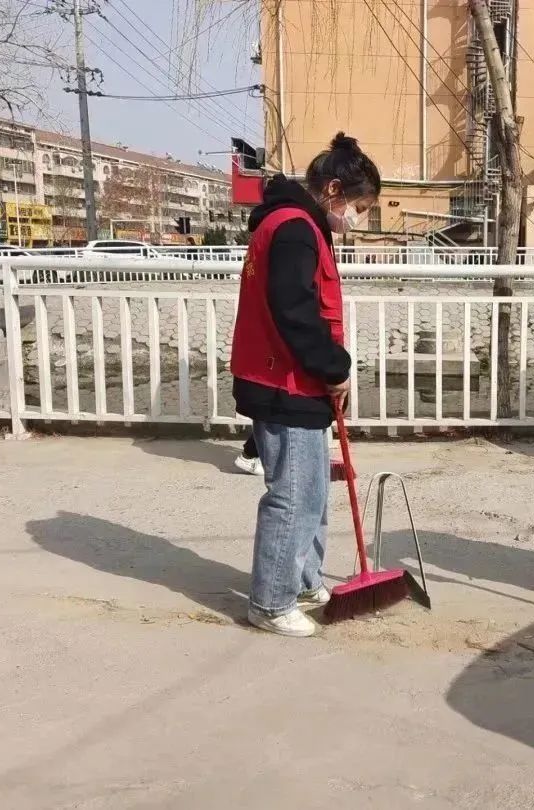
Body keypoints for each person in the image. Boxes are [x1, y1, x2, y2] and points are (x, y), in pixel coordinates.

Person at [231, 132, 381, 638]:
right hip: (282, 380)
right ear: (334, 190)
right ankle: (271, 601)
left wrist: (330, 370)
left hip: (299, 380)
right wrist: (334, 366)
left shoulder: (303, 225)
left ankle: (302, 581)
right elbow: (295, 312)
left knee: (313, 493)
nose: (357, 218)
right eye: (360, 207)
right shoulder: (295, 228)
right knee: (293, 495)